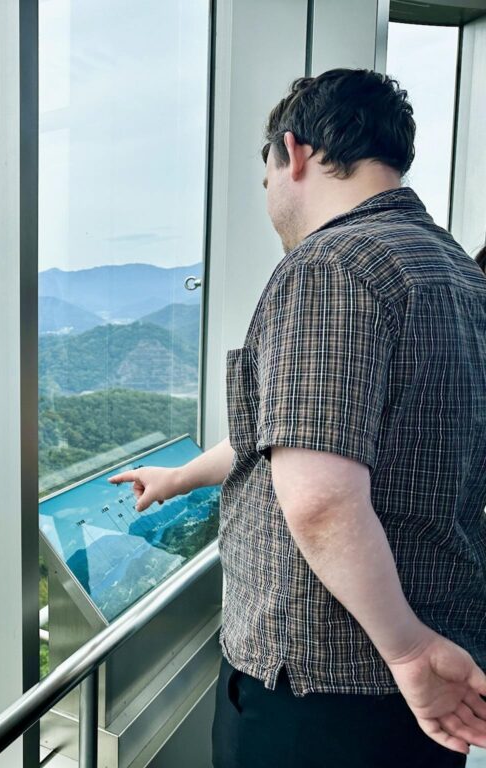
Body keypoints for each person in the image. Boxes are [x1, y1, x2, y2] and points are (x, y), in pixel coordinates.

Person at [111, 69, 486, 768]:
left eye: (265, 179)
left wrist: (405, 649)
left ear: (297, 152)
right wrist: (182, 476)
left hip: (323, 691)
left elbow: (319, 500)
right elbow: (293, 438)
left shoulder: (331, 266)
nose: (269, 200)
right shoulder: (462, 276)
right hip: (432, 678)